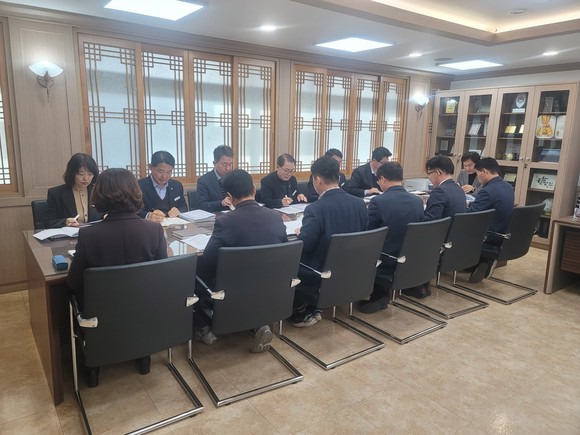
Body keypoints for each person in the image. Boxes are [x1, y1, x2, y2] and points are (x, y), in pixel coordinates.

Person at [67, 168, 168, 387]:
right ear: (136, 193)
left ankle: (93, 366)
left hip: (100, 313)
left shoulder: (88, 234)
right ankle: (143, 357)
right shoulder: (154, 230)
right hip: (143, 309)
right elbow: (162, 274)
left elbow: (73, 282)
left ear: (99, 196)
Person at [197, 169, 288, 352]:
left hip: (233, 291)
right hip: (270, 287)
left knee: (196, 271)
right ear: (254, 189)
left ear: (229, 197)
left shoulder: (225, 221)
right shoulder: (275, 217)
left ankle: (202, 327)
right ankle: (258, 322)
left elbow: (209, 260)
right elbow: (284, 251)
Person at [292, 156, 367, 326]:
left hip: (321, 274)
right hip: (353, 270)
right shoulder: (359, 204)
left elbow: (305, 245)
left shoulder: (315, 209)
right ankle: (316, 306)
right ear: (338, 177)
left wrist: (302, 233)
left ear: (317, 180)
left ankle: (301, 310)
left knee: (289, 259)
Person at [357, 162, 424, 313]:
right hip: (411, 257)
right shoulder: (417, 201)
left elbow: (369, 233)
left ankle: (378, 294)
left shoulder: (378, 202)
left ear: (382, 179)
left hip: (386, 259)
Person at [467, 157, 515, 283]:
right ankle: (483, 262)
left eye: (478, 174)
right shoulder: (508, 187)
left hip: (489, 236)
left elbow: (470, 216)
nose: (478, 178)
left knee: (453, 228)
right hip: (503, 233)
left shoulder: (487, 191)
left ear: (484, 172)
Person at [44, 153, 102, 228]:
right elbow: (48, 222)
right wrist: (65, 222)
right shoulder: (56, 193)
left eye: (90, 174)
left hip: (94, 233)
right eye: (81, 174)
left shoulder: (99, 191)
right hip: (70, 234)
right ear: (72, 173)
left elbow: (105, 213)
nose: (86, 178)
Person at [137, 151, 188, 222]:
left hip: (172, 225)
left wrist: (179, 211)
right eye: (160, 171)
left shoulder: (177, 185)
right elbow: (133, 211)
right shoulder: (138, 186)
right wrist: (148, 215)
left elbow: (183, 206)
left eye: (169, 172)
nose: (164, 176)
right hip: (148, 226)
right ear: (150, 167)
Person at [424, 155, 467, 222]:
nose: (429, 178)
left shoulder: (439, 191)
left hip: (441, 228)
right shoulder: (459, 189)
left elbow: (430, 221)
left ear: (438, 172)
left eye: (429, 174)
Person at [197, 145, 234, 212]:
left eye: (230, 164)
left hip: (233, 214)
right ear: (214, 163)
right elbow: (202, 205)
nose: (228, 168)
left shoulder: (233, 178)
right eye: (224, 165)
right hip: (216, 216)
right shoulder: (204, 181)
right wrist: (220, 203)